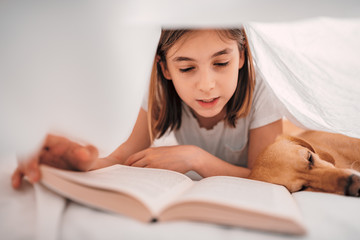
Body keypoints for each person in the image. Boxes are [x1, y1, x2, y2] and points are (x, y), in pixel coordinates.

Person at [12, 28, 283, 189]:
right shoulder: (158, 93)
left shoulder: (262, 91)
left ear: (242, 56)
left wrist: (195, 159)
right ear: (165, 68)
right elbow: (121, 157)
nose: (207, 85)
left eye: (221, 63)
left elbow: (271, 179)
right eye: (187, 68)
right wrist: (77, 161)